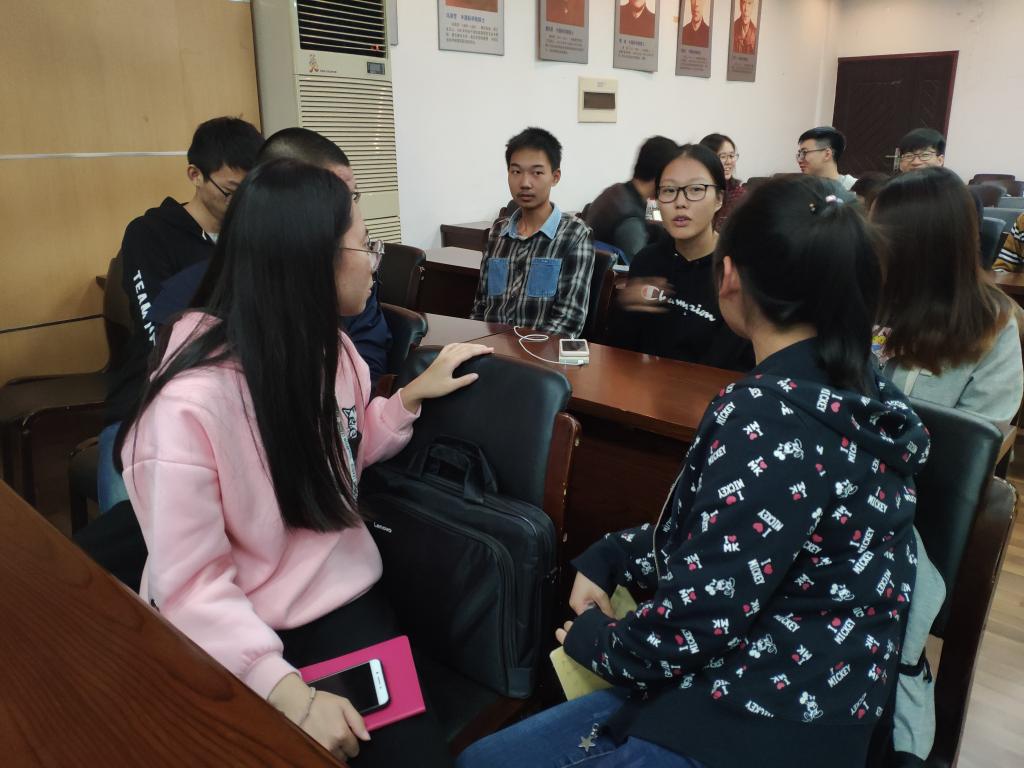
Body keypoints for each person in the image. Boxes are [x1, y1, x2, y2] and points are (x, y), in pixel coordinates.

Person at [458, 175, 928, 768]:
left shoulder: (767, 413)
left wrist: (597, 642)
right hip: (831, 696)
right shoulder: (866, 392)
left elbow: (700, 617)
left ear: (729, 276)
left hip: (761, 718)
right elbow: (739, 543)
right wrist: (614, 552)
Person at [117, 159, 492, 766]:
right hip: (232, 630)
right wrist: (287, 692)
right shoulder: (190, 405)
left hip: (339, 603)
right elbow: (190, 586)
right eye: (365, 246)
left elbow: (341, 451)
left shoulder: (330, 350)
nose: (374, 262)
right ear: (312, 260)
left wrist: (405, 402)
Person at [98, 116, 263, 514]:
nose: (241, 205)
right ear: (195, 175)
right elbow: (159, 333)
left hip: (240, 398)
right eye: (231, 192)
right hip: (150, 394)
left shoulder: (256, 234)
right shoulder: (149, 234)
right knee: (126, 524)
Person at [147, 127, 393, 384]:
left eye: (352, 196)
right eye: (332, 196)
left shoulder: (351, 274)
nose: (349, 210)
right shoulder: (190, 306)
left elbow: (369, 366)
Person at [871, 167, 1023, 427]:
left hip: (928, 450)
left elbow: (976, 435)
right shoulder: (863, 296)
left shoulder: (990, 323)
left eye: (876, 233)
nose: (867, 243)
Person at [607, 144, 753, 370]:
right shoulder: (647, 261)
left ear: (719, 199)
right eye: (668, 190)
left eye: (695, 189)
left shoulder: (737, 271)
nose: (680, 202)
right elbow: (620, 353)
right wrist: (626, 308)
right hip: (642, 387)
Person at [471, 127, 594, 337]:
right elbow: (481, 306)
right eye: (516, 172)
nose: (525, 183)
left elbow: (568, 321)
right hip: (490, 348)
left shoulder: (574, 234)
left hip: (540, 352)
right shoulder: (498, 232)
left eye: (537, 173)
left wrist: (522, 350)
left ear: (555, 177)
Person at [585, 136, 678, 264]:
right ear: (662, 176)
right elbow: (638, 267)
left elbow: (658, 229)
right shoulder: (631, 221)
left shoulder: (618, 191)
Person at [699, 133, 746, 227]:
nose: (729, 162)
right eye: (723, 156)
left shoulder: (739, 195)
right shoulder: (695, 191)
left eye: (731, 156)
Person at [797, 126, 857, 192]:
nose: (799, 160)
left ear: (827, 154)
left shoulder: (855, 189)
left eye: (804, 152)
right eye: (799, 154)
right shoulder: (801, 190)